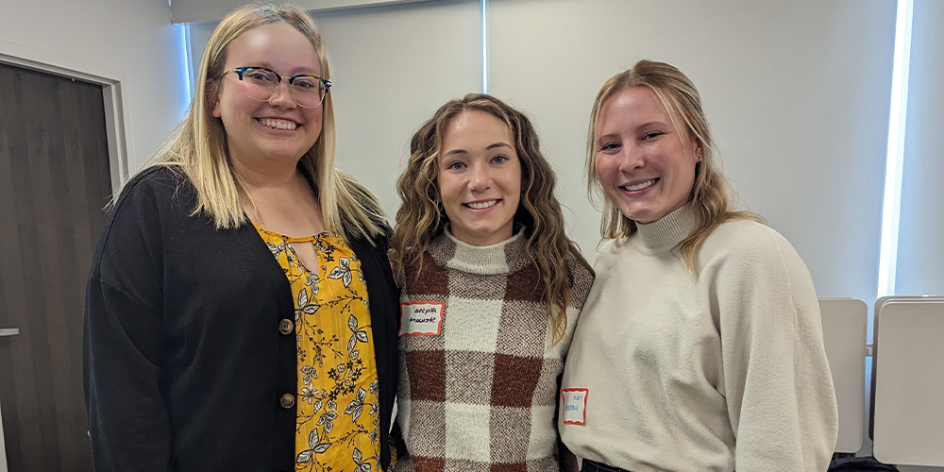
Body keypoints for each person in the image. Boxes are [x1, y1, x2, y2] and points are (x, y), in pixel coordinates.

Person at [83, 5, 399, 472]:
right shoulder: (160, 207)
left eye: (304, 82)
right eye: (260, 75)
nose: (284, 98)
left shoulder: (356, 211)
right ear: (213, 94)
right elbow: (121, 397)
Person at [559, 60, 838, 472]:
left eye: (651, 135)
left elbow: (780, 444)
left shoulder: (751, 258)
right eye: (610, 145)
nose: (630, 161)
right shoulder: (608, 262)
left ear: (696, 145)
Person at [389, 94, 594, 472]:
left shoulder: (569, 281)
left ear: (525, 170)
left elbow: (578, 431)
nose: (479, 181)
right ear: (432, 179)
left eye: (498, 158)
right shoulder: (401, 274)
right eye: (457, 164)